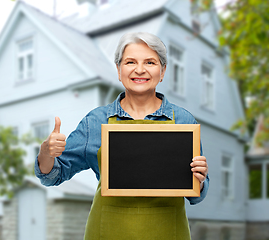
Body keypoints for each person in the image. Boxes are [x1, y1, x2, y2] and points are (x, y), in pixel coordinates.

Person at [35, 32, 209, 239]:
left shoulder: (183, 121)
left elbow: (197, 195)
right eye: (130, 62)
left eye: (150, 62)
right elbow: (52, 176)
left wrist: (200, 178)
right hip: (107, 231)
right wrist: (46, 153)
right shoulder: (95, 121)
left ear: (162, 72)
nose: (140, 70)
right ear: (118, 70)